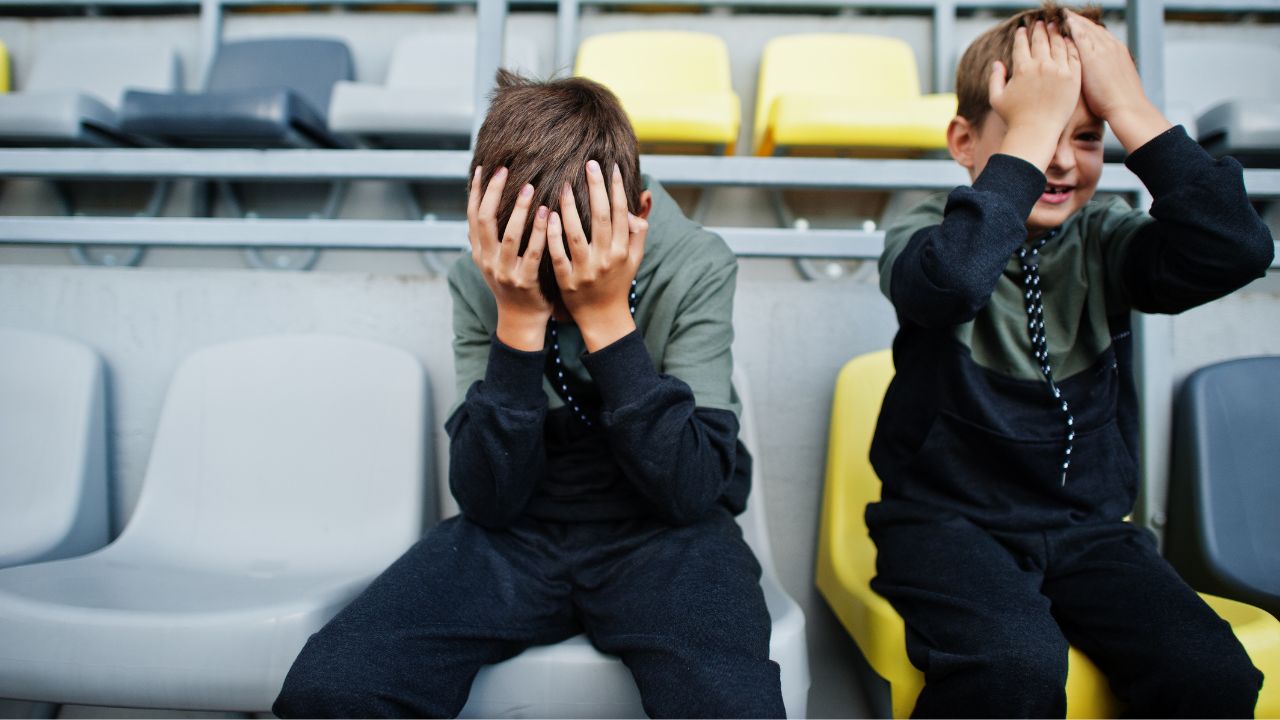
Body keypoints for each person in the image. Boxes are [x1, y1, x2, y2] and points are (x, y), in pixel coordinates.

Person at [272, 70, 786, 719]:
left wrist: (604, 317)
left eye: (576, 262)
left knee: (729, 702)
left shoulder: (696, 264)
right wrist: (517, 316)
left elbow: (690, 491)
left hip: (667, 530)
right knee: (335, 684)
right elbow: (487, 499)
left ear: (639, 218)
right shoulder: (483, 279)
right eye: (534, 265)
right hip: (518, 530)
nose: (559, 289)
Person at [867, 4, 1273, 717]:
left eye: (1086, 138)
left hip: (1088, 533)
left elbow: (1236, 247)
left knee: (1210, 673)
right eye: (1039, 134)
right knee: (1012, 667)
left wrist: (1132, 109)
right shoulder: (927, 232)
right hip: (944, 527)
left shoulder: (1106, 237)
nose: (1058, 160)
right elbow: (951, 283)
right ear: (964, 141)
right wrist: (1025, 137)